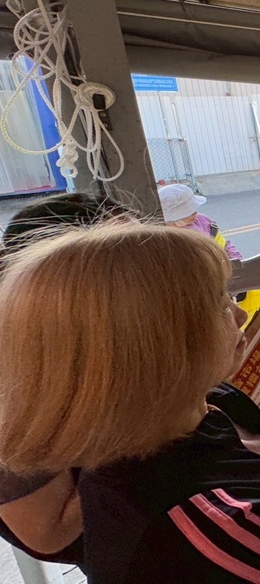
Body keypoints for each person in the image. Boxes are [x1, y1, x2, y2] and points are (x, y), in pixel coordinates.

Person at [0, 224, 260, 582]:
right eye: (219, 304)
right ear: (162, 345)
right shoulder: (200, 521)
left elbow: (256, 473)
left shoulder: (203, 402)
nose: (240, 314)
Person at [0, 193, 135, 572]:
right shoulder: (14, 375)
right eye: (129, 261)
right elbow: (49, 531)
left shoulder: (94, 330)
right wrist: (164, 416)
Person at [158, 183, 242, 260]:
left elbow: (222, 244)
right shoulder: (161, 237)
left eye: (194, 209)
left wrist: (235, 258)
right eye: (189, 212)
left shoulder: (203, 221)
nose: (195, 213)